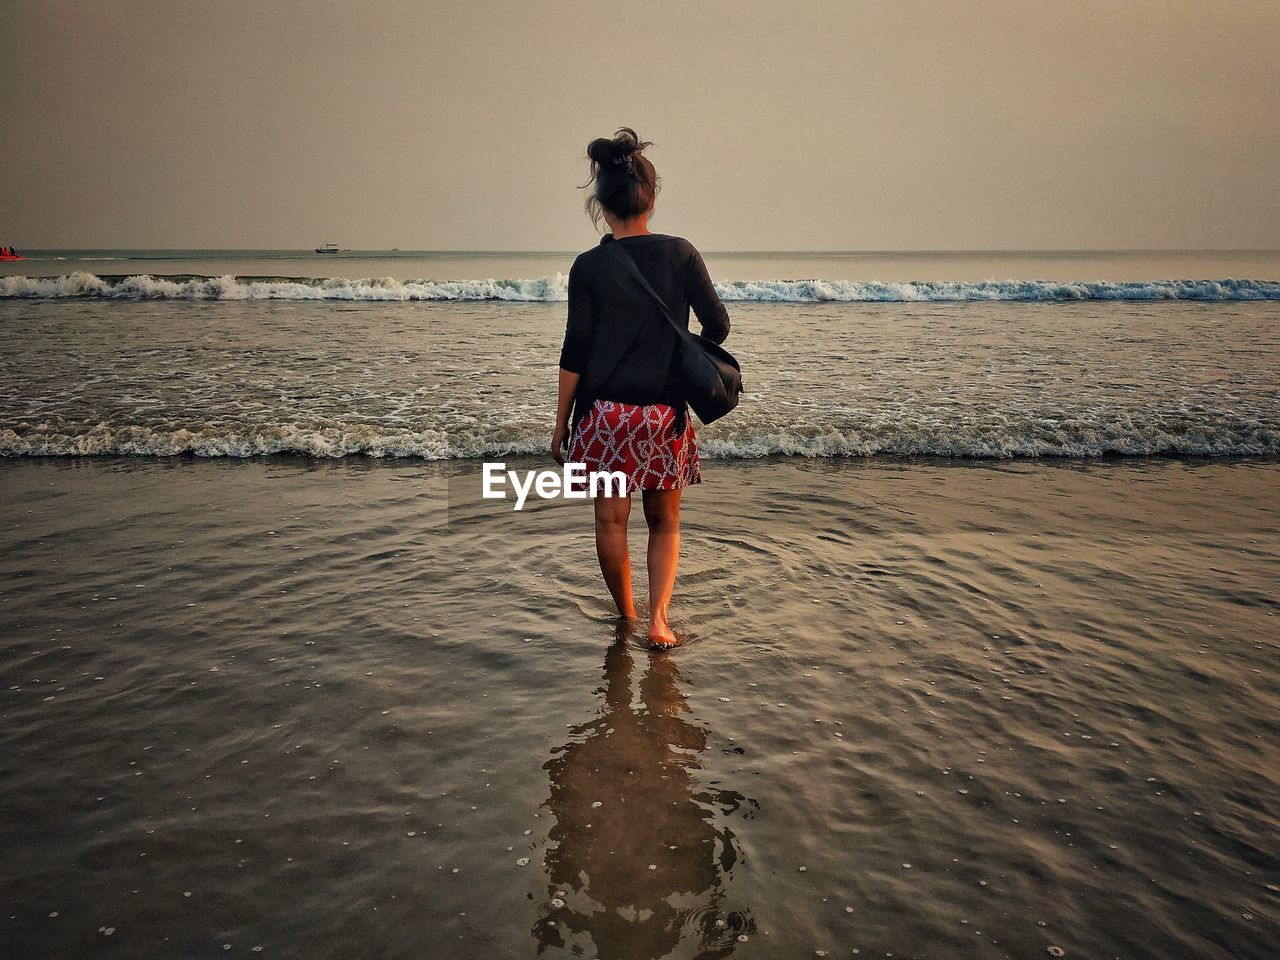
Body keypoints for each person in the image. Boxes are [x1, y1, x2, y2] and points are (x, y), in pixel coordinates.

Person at [552, 127, 731, 648]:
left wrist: (561, 422)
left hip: (604, 415)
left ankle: (626, 616)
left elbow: (575, 349)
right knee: (664, 519)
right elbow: (717, 327)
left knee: (611, 522)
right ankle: (658, 620)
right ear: (650, 199)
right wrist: (677, 349)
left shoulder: (588, 266)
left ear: (602, 207)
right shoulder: (681, 253)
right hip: (661, 415)